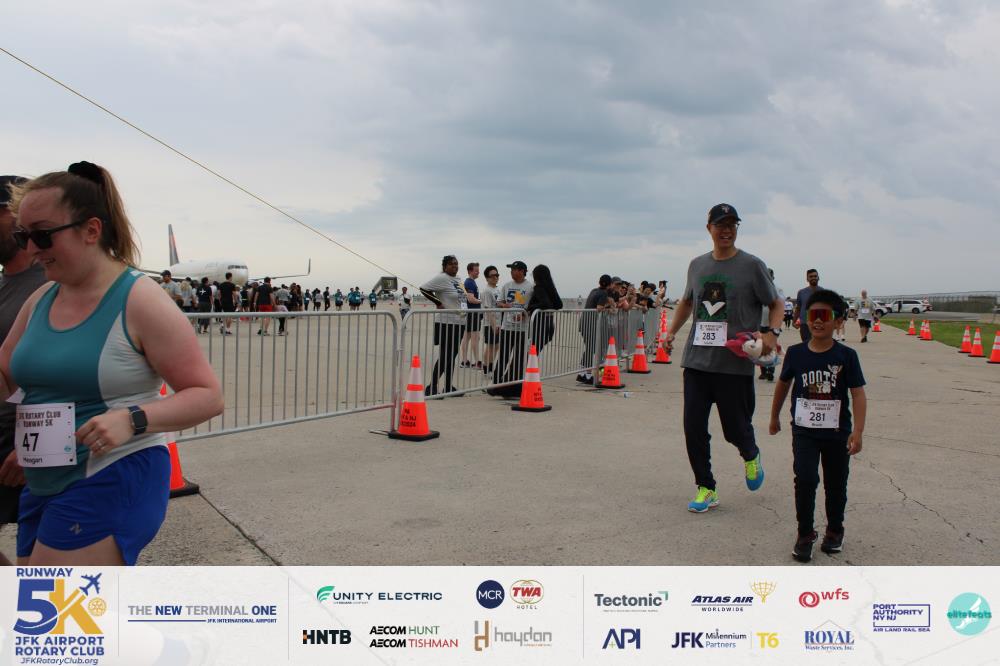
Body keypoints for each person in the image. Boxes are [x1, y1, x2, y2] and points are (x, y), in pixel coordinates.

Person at [1, 161, 222, 565]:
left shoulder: (140, 299)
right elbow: (6, 372)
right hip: (44, 476)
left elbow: (207, 396)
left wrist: (132, 418)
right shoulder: (42, 297)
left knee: (49, 600)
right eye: (23, 236)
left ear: (91, 230)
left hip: (115, 472)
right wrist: (31, 444)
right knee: (39, 597)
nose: (31, 249)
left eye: (42, 235)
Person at [664, 203, 783, 513]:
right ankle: (706, 487)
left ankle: (750, 453)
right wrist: (671, 332)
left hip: (734, 364)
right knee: (693, 428)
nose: (726, 230)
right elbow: (687, 302)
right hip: (697, 362)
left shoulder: (752, 265)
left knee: (735, 429)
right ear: (709, 229)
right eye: (720, 224)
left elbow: (776, 303)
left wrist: (772, 334)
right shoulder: (697, 265)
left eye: (732, 224)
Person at [769, 289, 867, 562]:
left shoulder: (847, 356)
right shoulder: (796, 353)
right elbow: (783, 384)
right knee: (805, 479)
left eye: (825, 315)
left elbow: (858, 394)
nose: (819, 321)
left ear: (838, 321)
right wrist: (774, 416)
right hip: (804, 432)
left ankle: (835, 530)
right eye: (813, 315)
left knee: (836, 483)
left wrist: (858, 431)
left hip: (837, 433)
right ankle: (805, 534)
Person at [0, 175, 48, 566]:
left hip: (28, 443)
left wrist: (31, 446)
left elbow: (61, 376)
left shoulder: (48, 286)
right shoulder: (6, 285)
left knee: (44, 568)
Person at [419, 255, 467, 395]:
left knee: (453, 356)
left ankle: (448, 386)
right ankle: (431, 387)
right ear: (445, 266)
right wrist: (438, 303)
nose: (455, 266)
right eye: (451, 264)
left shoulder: (458, 279)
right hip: (446, 322)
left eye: (456, 264)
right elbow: (424, 289)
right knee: (446, 355)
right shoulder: (442, 278)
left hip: (459, 322)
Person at [490, 260, 533, 396]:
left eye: (514, 270)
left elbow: (533, 306)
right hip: (507, 327)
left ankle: (514, 387)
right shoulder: (507, 285)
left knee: (519, 359)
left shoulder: (530, 287)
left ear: (522, 271)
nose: (511, 272)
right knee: (503, 356)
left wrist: (524, 314)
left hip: (522, 330)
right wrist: (505, 306)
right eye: (511, 270)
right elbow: (499, 303)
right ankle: (495, 385)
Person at [577, 274, 613, 384]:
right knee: (591, 349)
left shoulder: (594, 290)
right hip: (591, 324)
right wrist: (608, 307)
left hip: (584, 322)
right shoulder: (603, 293)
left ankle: (582, 374)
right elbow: (599, 308)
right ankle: (587, 375)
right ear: (609, 285)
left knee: (589, 348)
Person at [526, 264, 563, 354]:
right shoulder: (550, 288)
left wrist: (530, 308)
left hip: (539, 327)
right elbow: (559, 304)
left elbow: (546, 304)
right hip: (549, 325)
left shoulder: (538, 288)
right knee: (534, 354)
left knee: (530, 355)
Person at [758, 268, 784, 381]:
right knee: (760, 348)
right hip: (760, 323)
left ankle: (771, 371)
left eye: (769, 275)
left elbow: (780, 307)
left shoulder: (778, 289)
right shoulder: (758, 288)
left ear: (773, 277)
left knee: (772, 348)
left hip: (773, 324)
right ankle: (763, 371)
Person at [479, 266, 501, 376]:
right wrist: (494, 325)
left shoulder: (497, 289)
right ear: (487, 278)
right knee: (490, 346)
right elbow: (488, 310)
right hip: (490, 323)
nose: (495, 277)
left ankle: (490, 367)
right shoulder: (486, 291)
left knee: (496, 346)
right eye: (492, 276)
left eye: (497, 275)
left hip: (499, 322)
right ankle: (487, 369)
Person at [460, 262, 482, 369]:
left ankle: (464, 361)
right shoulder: (469, 282)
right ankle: (477, 362)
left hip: (471, 313)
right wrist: (482, 301)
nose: (478, 272)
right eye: (476, 270)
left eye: (478, 270)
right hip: (473, 313)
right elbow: (471, 299)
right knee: (475, 338)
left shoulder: (471, 282)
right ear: (470, 271)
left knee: (467, 337)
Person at [792, 269, 821, 343]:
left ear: (818, 278)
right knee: (806, 344)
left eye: (815, 276)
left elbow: (829, 309)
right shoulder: (801, 292)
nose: (813, 278)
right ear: (807, 279)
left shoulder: (824, 292)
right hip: (805, 324)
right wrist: (794, 321)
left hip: (820, 323)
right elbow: (798, 308)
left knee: (819, 344)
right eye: (811, 276)